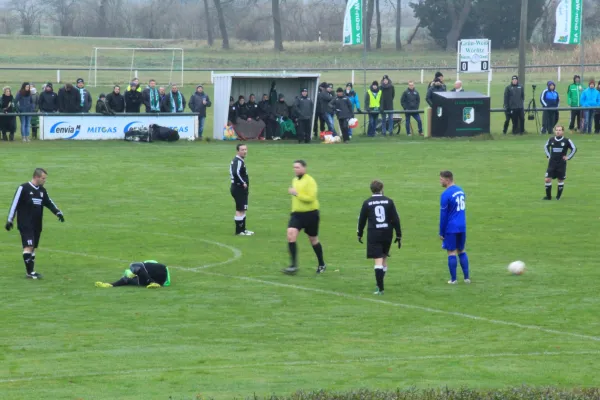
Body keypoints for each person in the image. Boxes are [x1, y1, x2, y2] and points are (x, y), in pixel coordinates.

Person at [5, 168, 65, 279]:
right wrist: (10, 220)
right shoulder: (23, 188)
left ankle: (31, 271)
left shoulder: (42, 191)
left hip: (37, 224)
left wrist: (58, 213)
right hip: (25, 223)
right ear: (36, 177)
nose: (44, 180)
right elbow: (14, 204)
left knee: (32, 248)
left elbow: (49, 202)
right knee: (28, 246)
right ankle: (30, 273)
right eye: (43, 178)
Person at [357, 180, 402, 295]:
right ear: (382, 188)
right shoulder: (389, 201)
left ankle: (380, 288)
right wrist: (398, 234)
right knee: (383, 258)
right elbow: (396, 219)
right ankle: (379, 283)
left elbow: (361, 220)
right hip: (387, 233)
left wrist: (359, 233)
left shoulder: (367, 203)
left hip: (374, 233)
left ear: (371, 189)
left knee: (378, 261)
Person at [282, 160, 325, 275]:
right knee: (291, 235)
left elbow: (311, 198)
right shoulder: (294, 180)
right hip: (297, 214)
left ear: (304, 168)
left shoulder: (310, 181)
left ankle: (321, 263)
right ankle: (293, 266)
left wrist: (296, 194)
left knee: (313, 239)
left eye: (297, 167)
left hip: (311, 214)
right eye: (294, 167)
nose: (295, 169)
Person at [439, 171, 469, 284]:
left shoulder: (445, 194)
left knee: (451, 252)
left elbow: (443, 215)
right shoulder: (460, 190)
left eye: (441, 179)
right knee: (461, 250)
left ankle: (453, 279)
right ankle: (466, 278)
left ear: (447, 180)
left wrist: (441, 232)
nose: (440, 181)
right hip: (462, 226)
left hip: (451, 227)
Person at [543, 125, 576, 200]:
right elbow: (546, 147)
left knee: (560, 179)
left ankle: (558, 197)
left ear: (563, 131)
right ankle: (548, 197)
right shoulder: (551, 139)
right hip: (552, 163)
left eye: (560, 130)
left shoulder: (566, 141)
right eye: (557, 130)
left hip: (561, 163)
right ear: (555, 131)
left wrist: (568, 157)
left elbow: (574, 149)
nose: (558, 131)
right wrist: (548, 156)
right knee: (547, 179)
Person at [230, 144, 253, 236]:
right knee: (239, 209)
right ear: (237, 151)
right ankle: (239, 231)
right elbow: (236, 173)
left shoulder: (240, 160)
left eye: (245, 149)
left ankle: (243, 230)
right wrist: (243, 182)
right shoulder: (238, 161)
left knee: (243, 208)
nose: (244, 151)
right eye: (242, 150)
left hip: (240, 188)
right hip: (238, 187)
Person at [95, 261, 170, 289]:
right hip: (161, 279)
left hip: (159, 271)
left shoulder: (146, 264)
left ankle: (152, 282)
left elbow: (137, 269)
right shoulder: (140, 275)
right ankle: (110, 285)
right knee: (128, 279)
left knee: (133, 264)